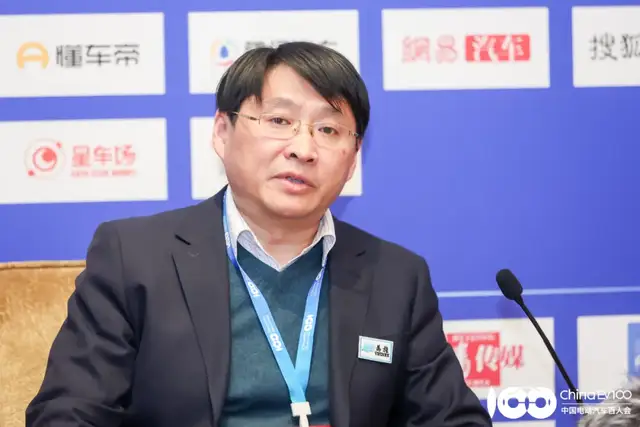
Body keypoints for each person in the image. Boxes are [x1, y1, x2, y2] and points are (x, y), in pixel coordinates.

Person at [26, 41, 491, 427]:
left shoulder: (396, 276)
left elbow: (453, 419)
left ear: (353, 160)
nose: (303, 148)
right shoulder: (135, 257)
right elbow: (68, 414)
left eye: (329, 129)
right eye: (279, 121)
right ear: (222, 132)